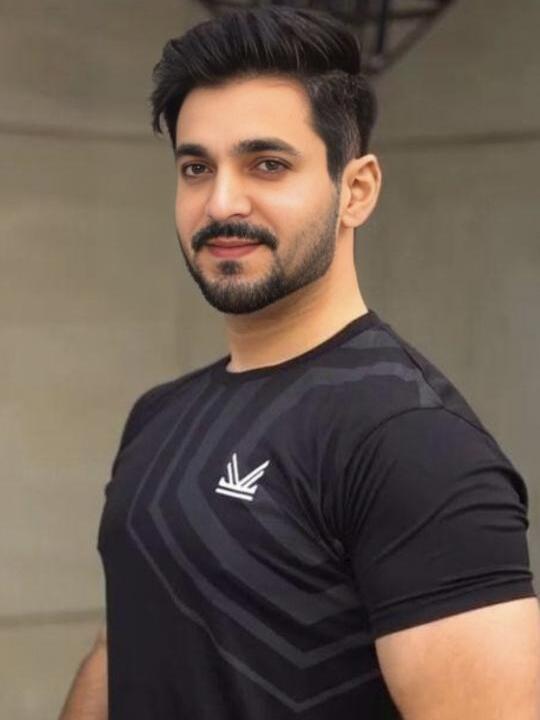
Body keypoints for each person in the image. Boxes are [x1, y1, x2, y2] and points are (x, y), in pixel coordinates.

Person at [59, 6, 540, 719]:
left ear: (357, 190)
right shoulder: (158, 417)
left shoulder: (412, 442)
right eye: (196, 168)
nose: (222, 202)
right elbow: (121, 649)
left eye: (268, 164)